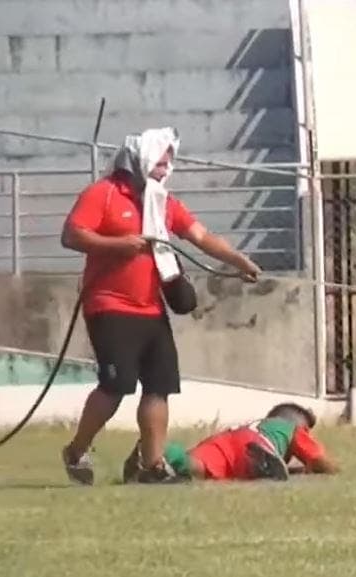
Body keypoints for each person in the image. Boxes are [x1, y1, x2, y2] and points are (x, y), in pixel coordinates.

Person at [60, 127, 262, 485]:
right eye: (161, 159)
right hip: (109, 304)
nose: (166, 166)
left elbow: (201, 237)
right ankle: (77, 449)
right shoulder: (103, 194)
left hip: (151, 308)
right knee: (117, 384)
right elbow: (72, 235)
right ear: (141, 158)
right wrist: (118, 244)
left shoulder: (163, 202)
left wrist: (239, 262)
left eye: (170, 160)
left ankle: (152, 466)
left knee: (159, 385)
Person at [122, 403, 339, 483]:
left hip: (224, 441)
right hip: (258, 444)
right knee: (247, 461)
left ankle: (156, 455)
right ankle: (260, 466)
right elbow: (320, 461)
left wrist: (296, 471)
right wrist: (334, 469)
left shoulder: (255, 424)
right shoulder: (291, 429)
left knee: (196, 466)